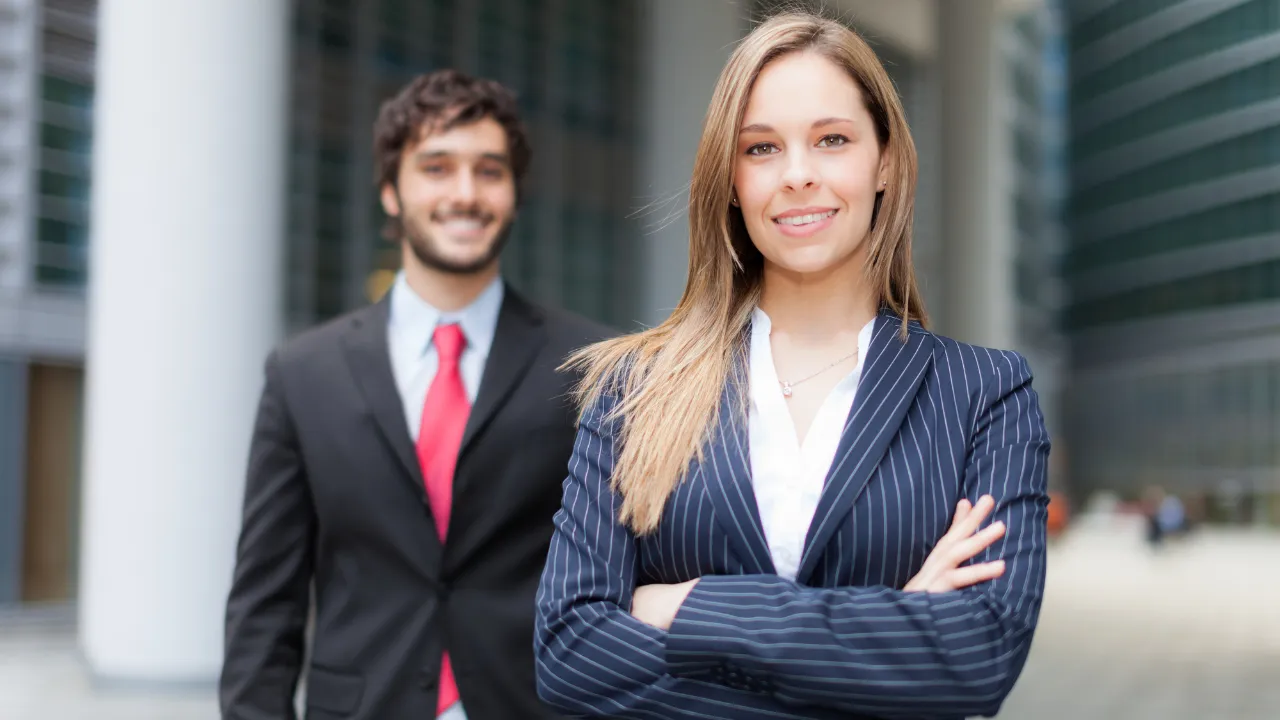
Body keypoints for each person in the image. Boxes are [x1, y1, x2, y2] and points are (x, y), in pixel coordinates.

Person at [534, 12, 1050, 720]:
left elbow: (980, 654)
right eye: (762, 148)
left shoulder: (985, 395)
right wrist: (892, 625)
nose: (798, 175)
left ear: (887, 161)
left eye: (832, 140)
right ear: (731, 179)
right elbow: (568, 655)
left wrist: (686, 606)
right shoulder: (633, 389)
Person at [220, 69, 611, 720]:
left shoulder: (589, 367)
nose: (466, 193)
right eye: (437, 167)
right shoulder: (302, 374)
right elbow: (265, 602)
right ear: (390, 192)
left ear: (514, 193)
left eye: (490, 171)